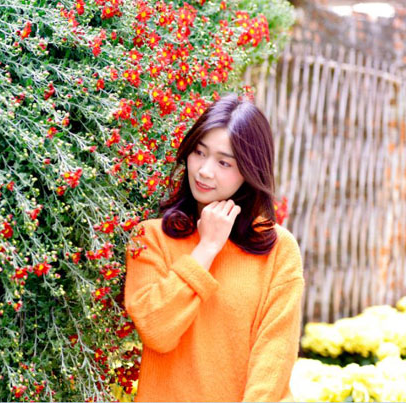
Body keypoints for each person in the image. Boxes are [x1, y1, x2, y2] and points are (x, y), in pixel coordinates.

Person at [124, 93, 304, 402]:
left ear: (250, 170)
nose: (205, 171)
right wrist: (206, 248)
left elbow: (274, 358)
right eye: (199, 152)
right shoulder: (151, 238)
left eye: (224, 162)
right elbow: (157, 331)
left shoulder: (279, 250)